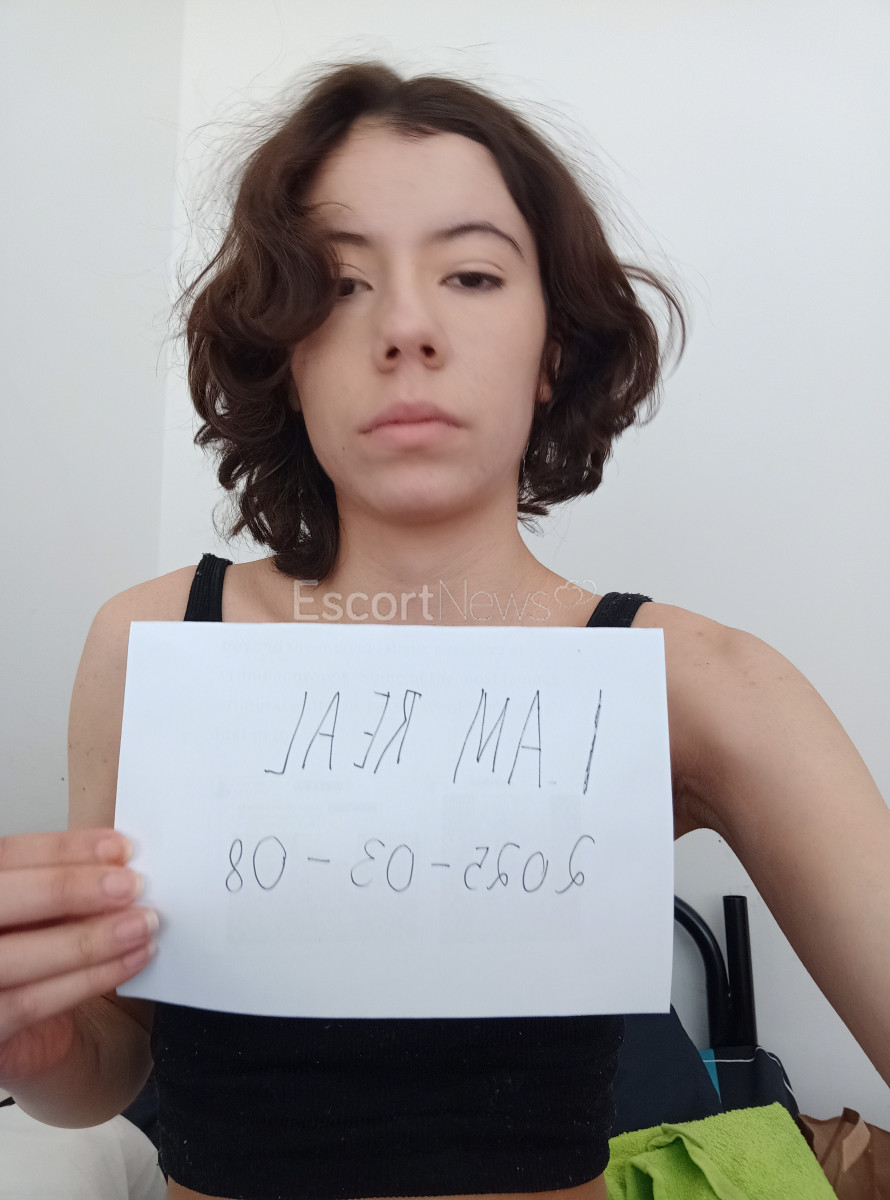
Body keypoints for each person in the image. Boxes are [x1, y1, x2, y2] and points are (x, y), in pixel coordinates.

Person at [0, 59, 887, 1200]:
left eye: (470, 274)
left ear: (552, 346)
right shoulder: (155, 641)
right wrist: (42, 1042)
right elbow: (112, 1066)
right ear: (287, 353)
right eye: (339, 283)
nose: (407, 326)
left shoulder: (691, 681)